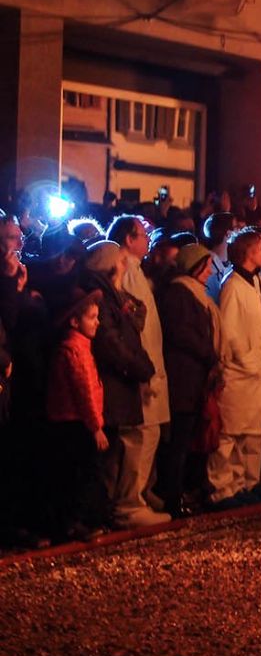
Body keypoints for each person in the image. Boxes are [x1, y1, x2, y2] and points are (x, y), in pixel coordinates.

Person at [80, 240, 160, 528]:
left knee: (123, 447)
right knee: (116, 451)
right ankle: (117, 510)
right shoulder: (102, 297)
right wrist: (141, 367)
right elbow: (112, 343)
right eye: (122, 260)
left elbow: (133, 324)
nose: (126, 265)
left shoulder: (114, 295)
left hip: (122, 381)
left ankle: (116, 508)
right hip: (116, 382)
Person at [107, 215, 171, 524]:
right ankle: (130, 502)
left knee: (150, 433)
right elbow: (138, 328)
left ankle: (140, 493)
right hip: (143, 368)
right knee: (142, 436)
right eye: (142, 235)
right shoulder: (128, 271)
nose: (147, 240)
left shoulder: (136, 270)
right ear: (129, 240)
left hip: (149, 365)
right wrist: (145, 370)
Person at [208, 227, 261, 509]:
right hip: (239, 372)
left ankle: (239, 484)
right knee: (229, 435)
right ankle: (221, 489)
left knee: (245, 432)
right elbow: (231, 331)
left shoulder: (255, 282)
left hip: (254, 372)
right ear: (249, 252)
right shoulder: (234, 285)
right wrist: (246, 359)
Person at [155, 244, 221, 516]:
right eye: (205, 266)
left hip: (194, 381)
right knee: (178, 445)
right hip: (183, 381)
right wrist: (209, 352)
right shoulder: (178, 294)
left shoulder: (194, 293)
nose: (208, 272)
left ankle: (185, 492)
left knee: (188, 442)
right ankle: (172, 498)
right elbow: (181, 333)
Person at [45, 289, 110, 541]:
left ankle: (76, 521)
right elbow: (84, 391)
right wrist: (96, 427)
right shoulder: (75, 350)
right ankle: (75, 522)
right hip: (75, 422)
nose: (98, 322)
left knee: (78, 473)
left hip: (73, 420)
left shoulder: (79, 347)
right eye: (92, 317)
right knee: (81, 474)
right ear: (74, 321)